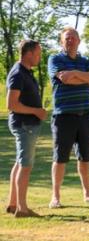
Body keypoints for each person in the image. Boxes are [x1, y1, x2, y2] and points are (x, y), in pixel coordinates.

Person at [48, 27, 89, 208]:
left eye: (73, 38)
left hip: (84, 116)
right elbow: (65, 79)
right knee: (60, 157)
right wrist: (84, 78)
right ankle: (55, 197)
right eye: (66, 38)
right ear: (62, 42)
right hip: (64, 117)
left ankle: (87, 194)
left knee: (85, 157)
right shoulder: (55, 59)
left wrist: (76, 74)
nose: (70, 41)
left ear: (79, 41)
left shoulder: (85, 60)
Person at [6, 40, 47, 218]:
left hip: (27, 124)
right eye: (38, 53)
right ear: (28, 53)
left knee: (19, 162)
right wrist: (36, 111)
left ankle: (13, 203)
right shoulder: (18, 74)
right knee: (25, 165)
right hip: (24, 125)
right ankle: (22, 208)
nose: (39, 57)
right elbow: (12, 104)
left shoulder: (26, 72)